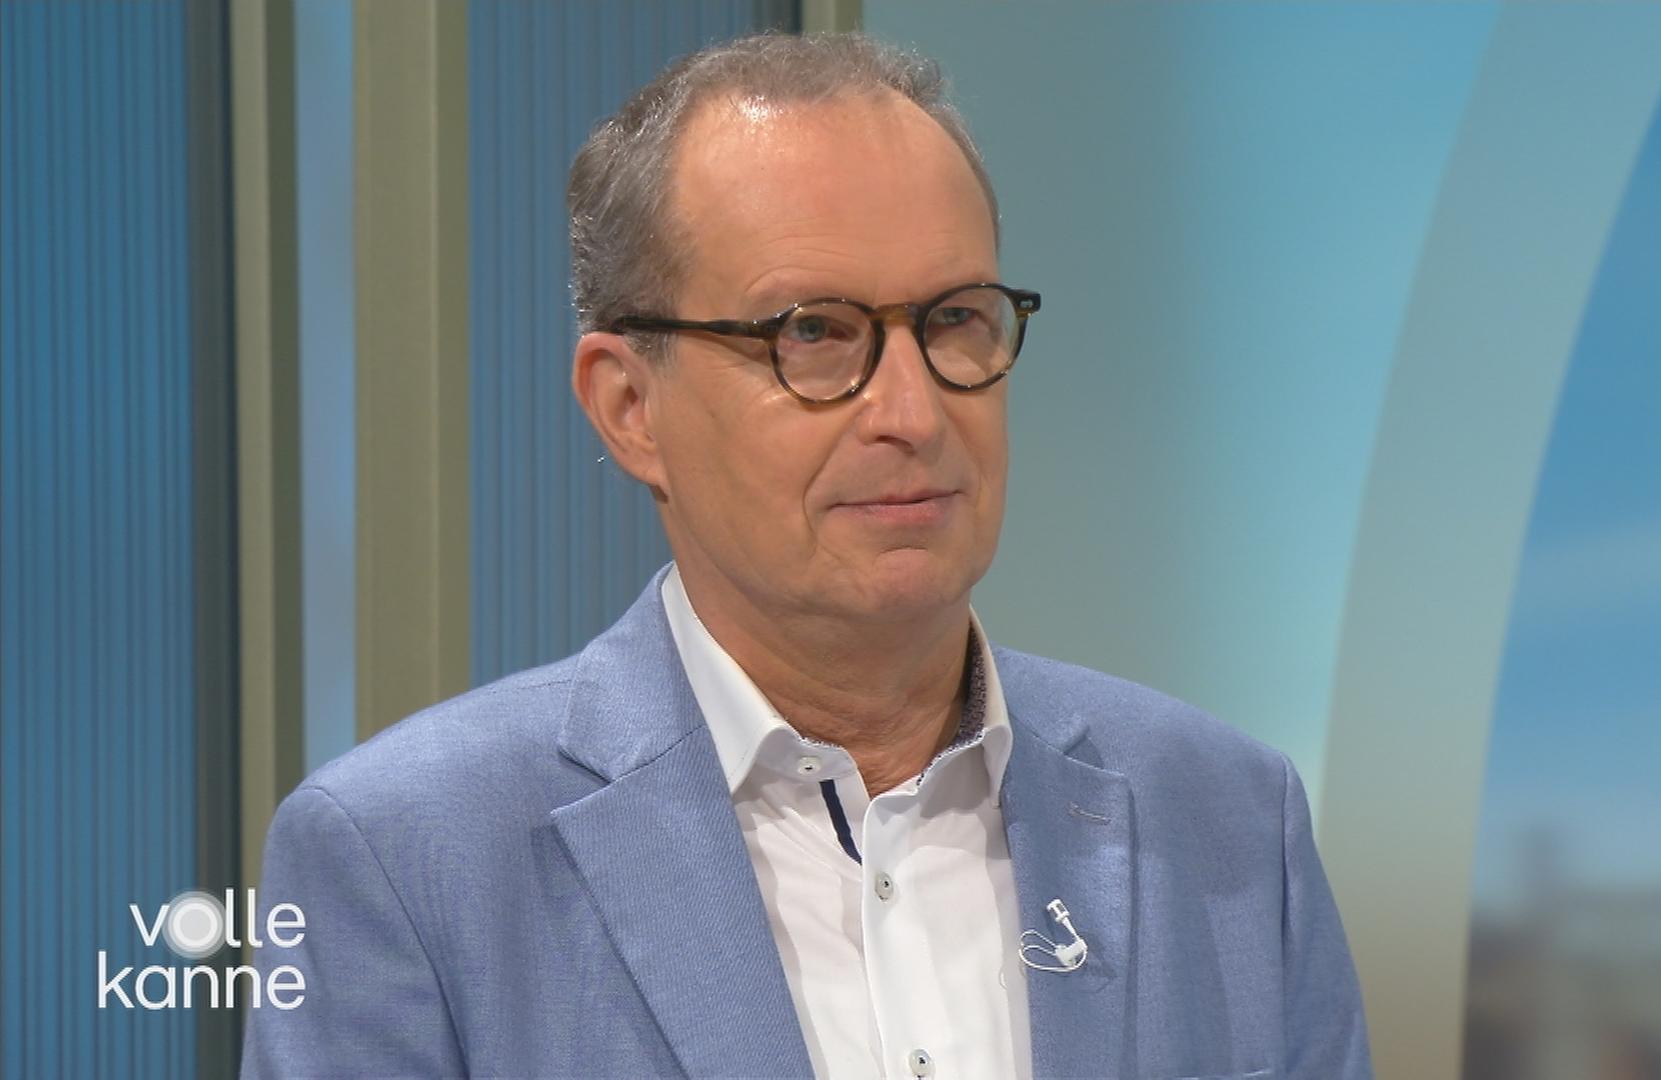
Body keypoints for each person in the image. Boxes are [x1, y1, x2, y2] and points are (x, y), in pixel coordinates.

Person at [242, 31, 1370, 1080]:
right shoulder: (405, 860)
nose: (913, 413)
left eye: (956, 319)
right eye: (814, 334)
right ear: (630, 407)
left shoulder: (1228, 822)